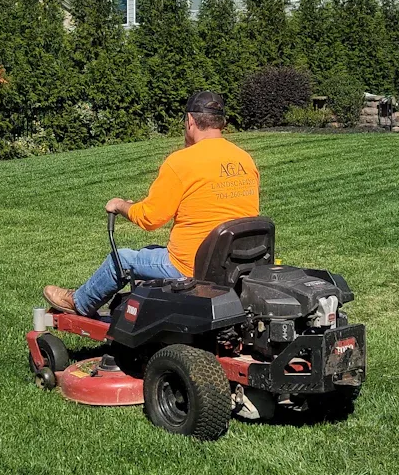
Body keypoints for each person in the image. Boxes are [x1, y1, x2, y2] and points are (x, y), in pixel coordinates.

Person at [43, 91, 260, 316]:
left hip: (189, 267)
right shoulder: (244, 159)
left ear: (190, 120)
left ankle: (79, 302)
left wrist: (120, 205)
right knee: (150, 252)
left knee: (122, 259)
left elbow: (150, 218)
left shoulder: (181, 162)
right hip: (233, 265)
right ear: (221, 122)